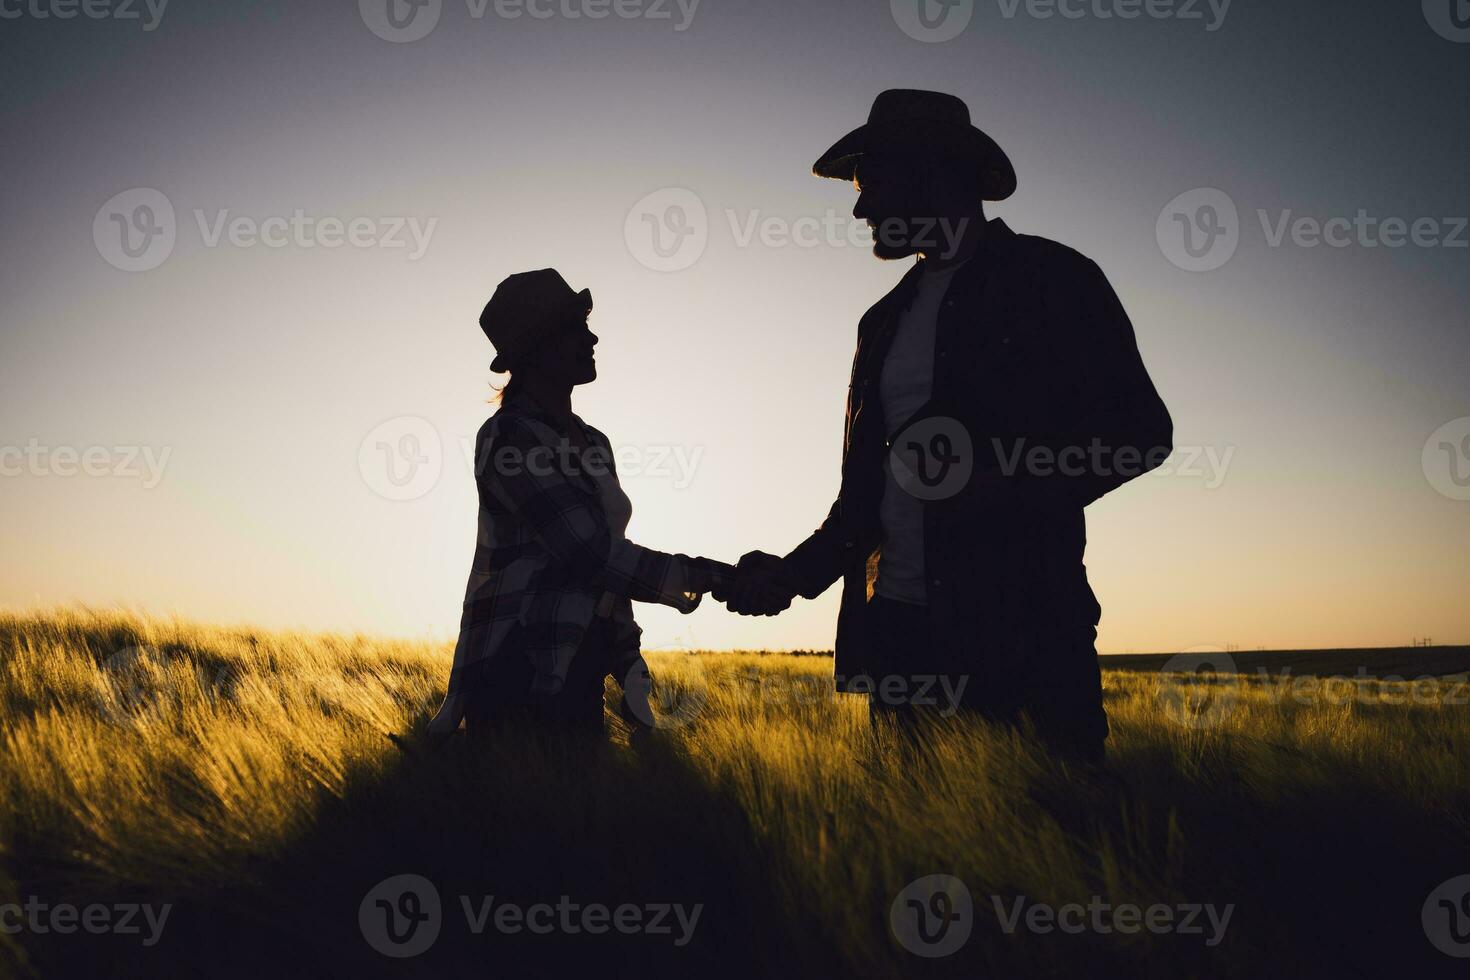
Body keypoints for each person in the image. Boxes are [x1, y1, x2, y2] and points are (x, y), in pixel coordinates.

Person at [719, 90, 1174, 764]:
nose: (860, 209)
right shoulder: (880, 324)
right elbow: (863, 501)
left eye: (871, 185)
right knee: (912, 855)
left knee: (1055, 849)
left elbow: (1140, 432)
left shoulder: (1055, 281)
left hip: (1024, 634)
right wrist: (789, 576)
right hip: (899, 638)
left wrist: (1002, 481)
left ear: (933, 173)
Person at [427, 269, 732, 741]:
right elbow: (588, 555)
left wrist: (629, 664)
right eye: (575, 328)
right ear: (536, 348)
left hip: (579, 664)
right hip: (520, 669)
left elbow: (608, 564)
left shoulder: (593, 441)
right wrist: (715, 576)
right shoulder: (510, 437)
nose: (592, 337)